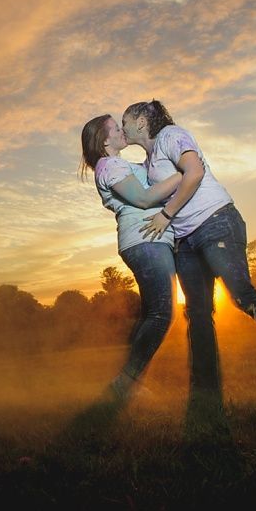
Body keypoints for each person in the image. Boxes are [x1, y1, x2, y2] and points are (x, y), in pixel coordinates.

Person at [121, 100, 256, 389]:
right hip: (185, 240)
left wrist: (166, 215)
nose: (123, 127)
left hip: (215, 222)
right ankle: (205, 388)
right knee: (197, 312)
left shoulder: (171, 135)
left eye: (125, 121)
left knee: (242, 294)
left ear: (142, 121)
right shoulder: (148, 162)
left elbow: (194, 173)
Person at [80, 114, 183, 402]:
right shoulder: (108, 165)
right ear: (104, 139)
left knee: (152, 314)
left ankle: (129, 384)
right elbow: (144, 199)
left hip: (150, 240)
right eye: (115, 127)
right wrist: (184, 174)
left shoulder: (121, 164)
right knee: (162, 314)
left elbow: (152, 173)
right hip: (144, 241)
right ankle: (125, 384)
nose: (121, 130)